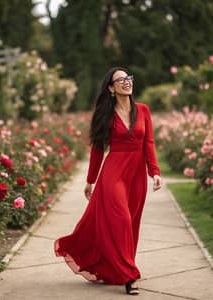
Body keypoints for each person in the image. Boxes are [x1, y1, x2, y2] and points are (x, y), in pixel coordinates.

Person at [54, 66, 162, 295]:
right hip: (113, 174)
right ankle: (129, 276)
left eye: (128, 78)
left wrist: (155, 172)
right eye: (120, 80)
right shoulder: (105, 114)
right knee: (121, 220)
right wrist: (90, 180)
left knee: (131, 224)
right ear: (111, 88)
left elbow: (148, 144)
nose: (126, 82)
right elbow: (97, 150)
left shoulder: (143, 110)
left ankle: (120, 267)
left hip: (137, 176)